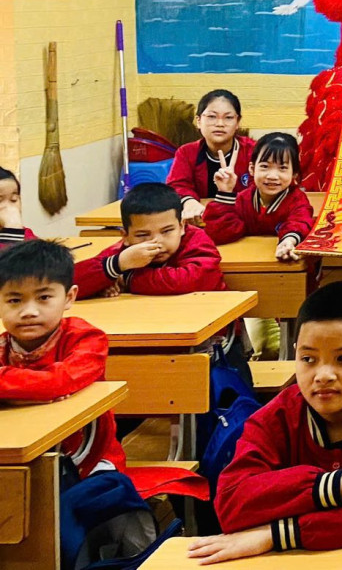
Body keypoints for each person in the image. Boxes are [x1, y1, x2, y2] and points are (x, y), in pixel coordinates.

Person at [188, 282, 342, 562]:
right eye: (308, 358)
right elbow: (232, 502)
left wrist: (276, 535)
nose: (323, 375)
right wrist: (338, 485)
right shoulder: (274, 417)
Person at [0, 239, 204, 565]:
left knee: (61, 521)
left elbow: (60, 381)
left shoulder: (86, 338)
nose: (29, 311)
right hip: (21, 457)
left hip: (89, 462)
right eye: (14, 300)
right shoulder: (3, 347)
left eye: (44, 297)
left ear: (69, 297)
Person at [75, 182, 227, 298]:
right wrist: (114, 268)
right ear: (125, 236)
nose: (157, 242)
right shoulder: (125, 251)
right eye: (142, 235)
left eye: (167, 231)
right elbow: (69, 283)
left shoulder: (196, 240)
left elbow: (191, 280)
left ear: (181, 226)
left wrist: (128, 278)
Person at [201, 132, 314, 259]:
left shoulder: (297, 200)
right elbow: (220, 234)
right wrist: (224, 193)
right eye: (265, 166)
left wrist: (288, 241)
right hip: (245, 261)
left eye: (282, 168)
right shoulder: (243, 199)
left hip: (282, 262)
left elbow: (300, 222)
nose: (272, 176)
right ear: (252, 169)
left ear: (294, 174)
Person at [166, 88, 255, 222]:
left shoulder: (254, 151)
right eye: (212, 117)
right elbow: (177, 185)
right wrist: (189, 201)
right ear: (199, 121)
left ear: (237, 122)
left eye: (228, 118)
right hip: (199, 222)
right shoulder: (186, 152)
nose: (219, 124)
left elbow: (262, 191)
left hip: (243, 221)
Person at [0, 166, 34, 249]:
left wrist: (14, 232)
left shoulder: (26, 234)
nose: (9, 207)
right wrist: (12, 235)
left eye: (14, 199)